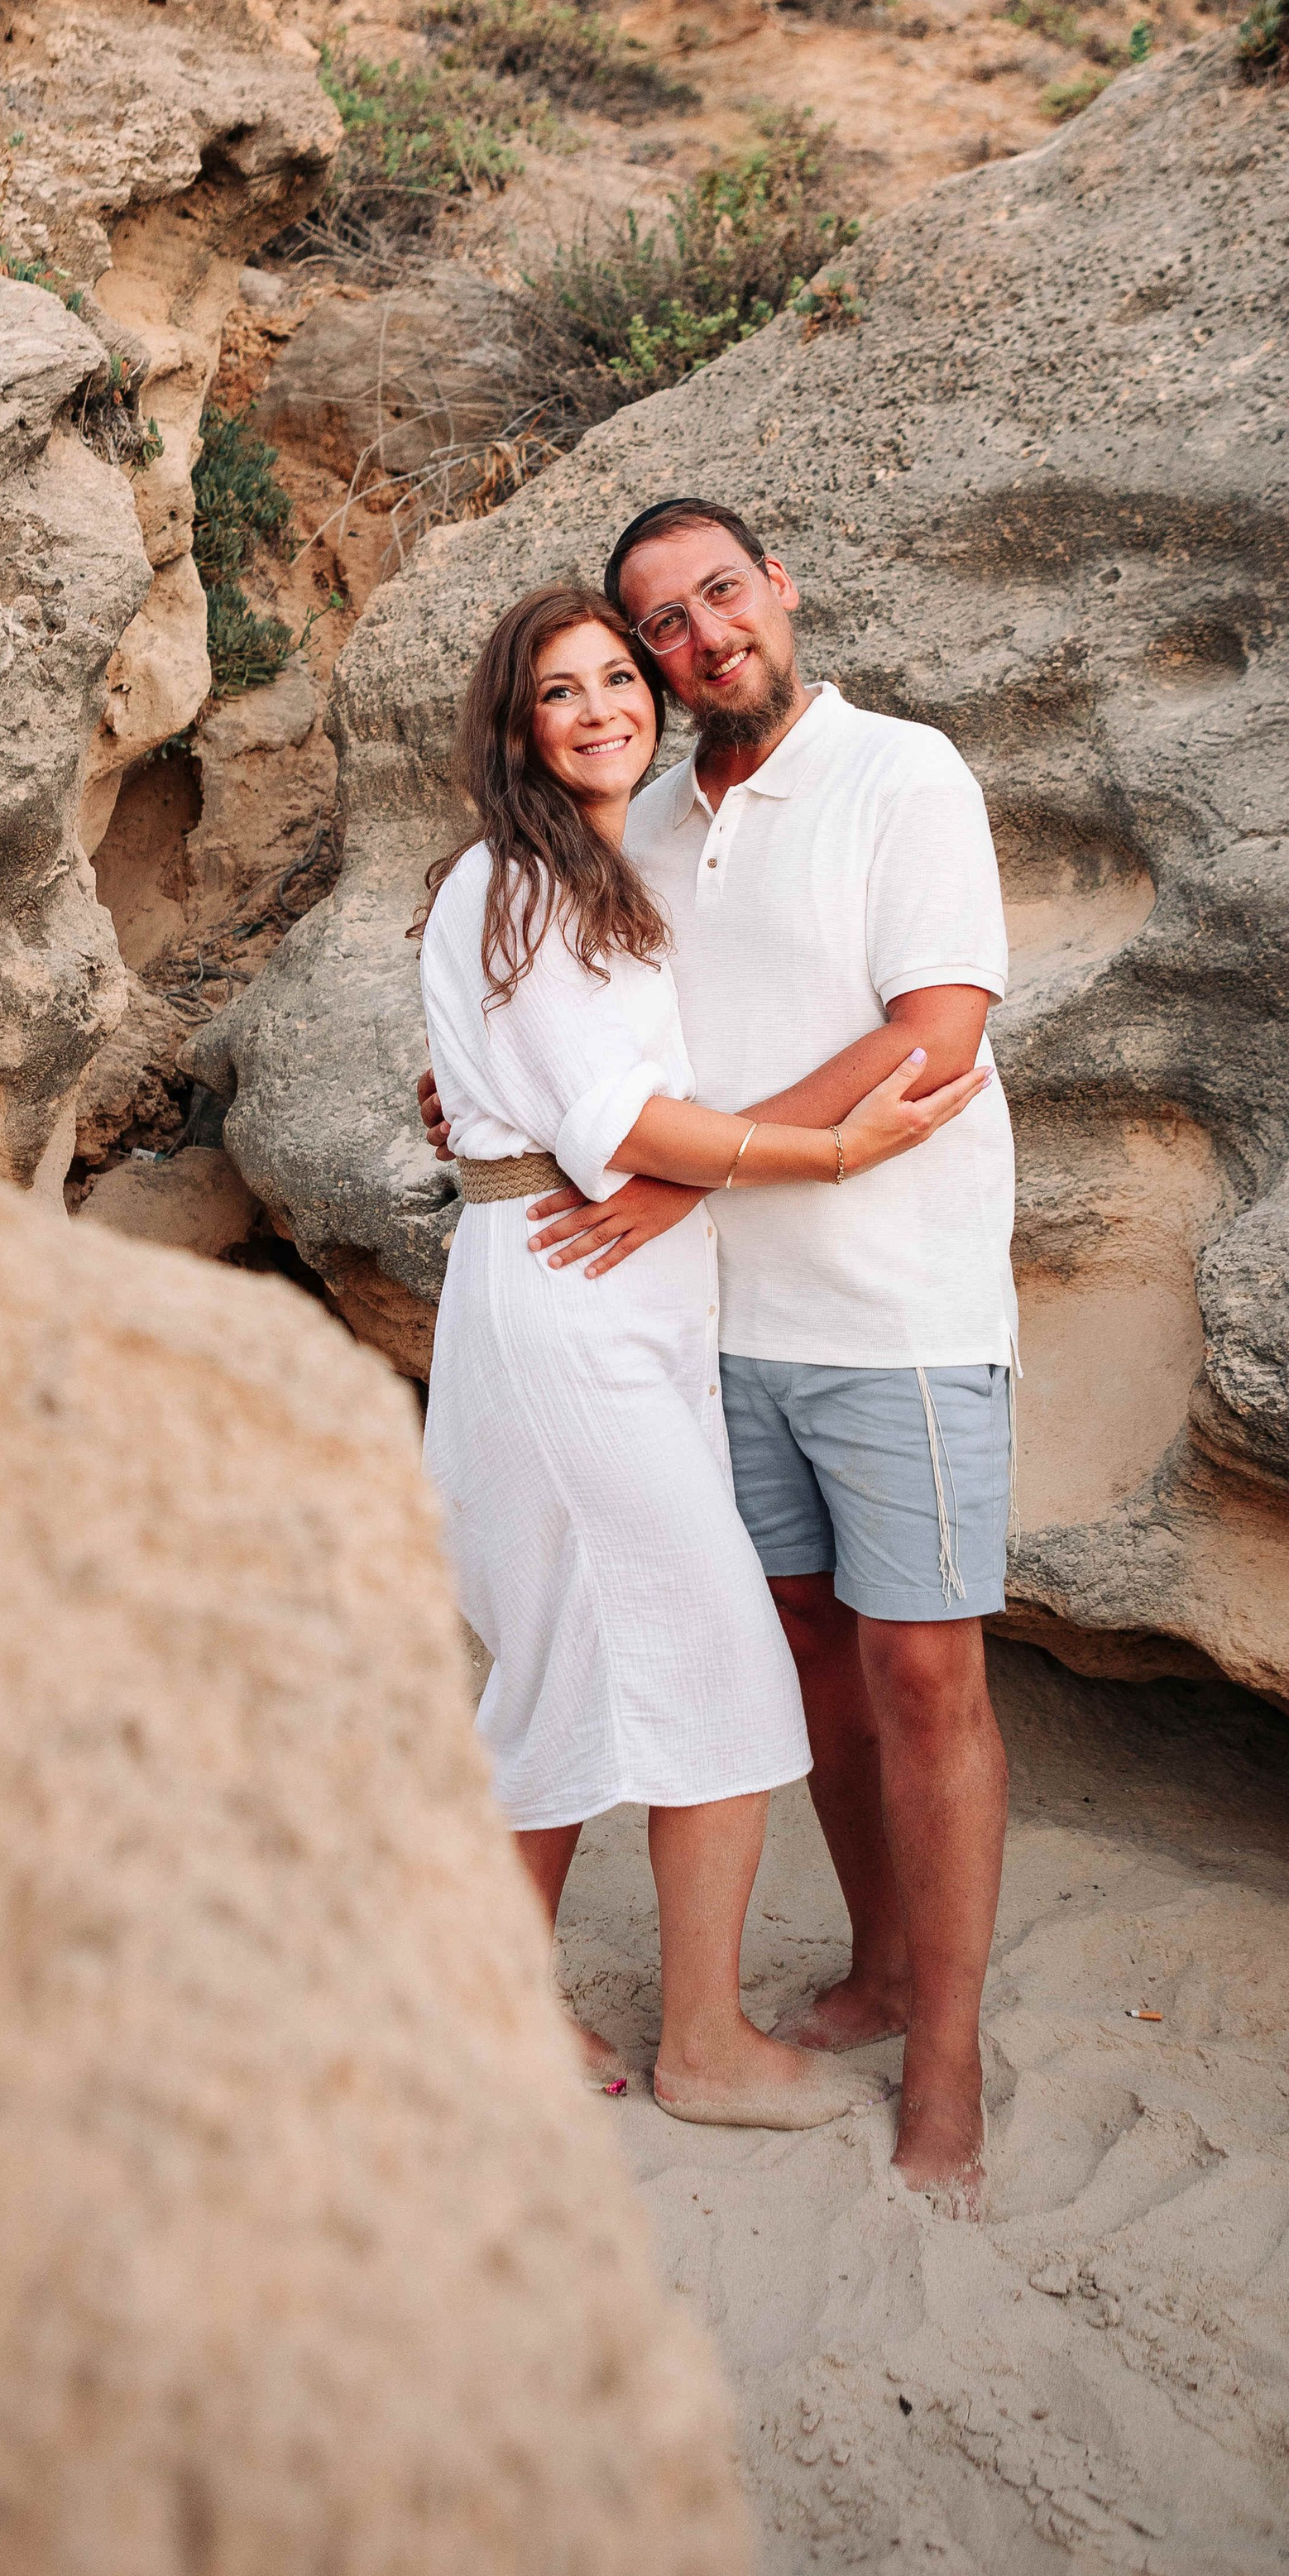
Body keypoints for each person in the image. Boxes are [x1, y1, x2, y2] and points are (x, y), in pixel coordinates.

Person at [420, 503, 1019, 2214]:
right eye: (619, 649)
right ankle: (755, 2012)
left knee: (908, 1678)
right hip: (683, 1320)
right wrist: (526, 1132)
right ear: (523, 721)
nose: (669, 659)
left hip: (883, 1309)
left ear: (777, 592)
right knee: (754, 1664)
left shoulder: (898, 774)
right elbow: (578, 1078)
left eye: (697, 612)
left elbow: (937, 1034)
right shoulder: (619, 835)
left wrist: (645, 1168)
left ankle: (939, 2060)